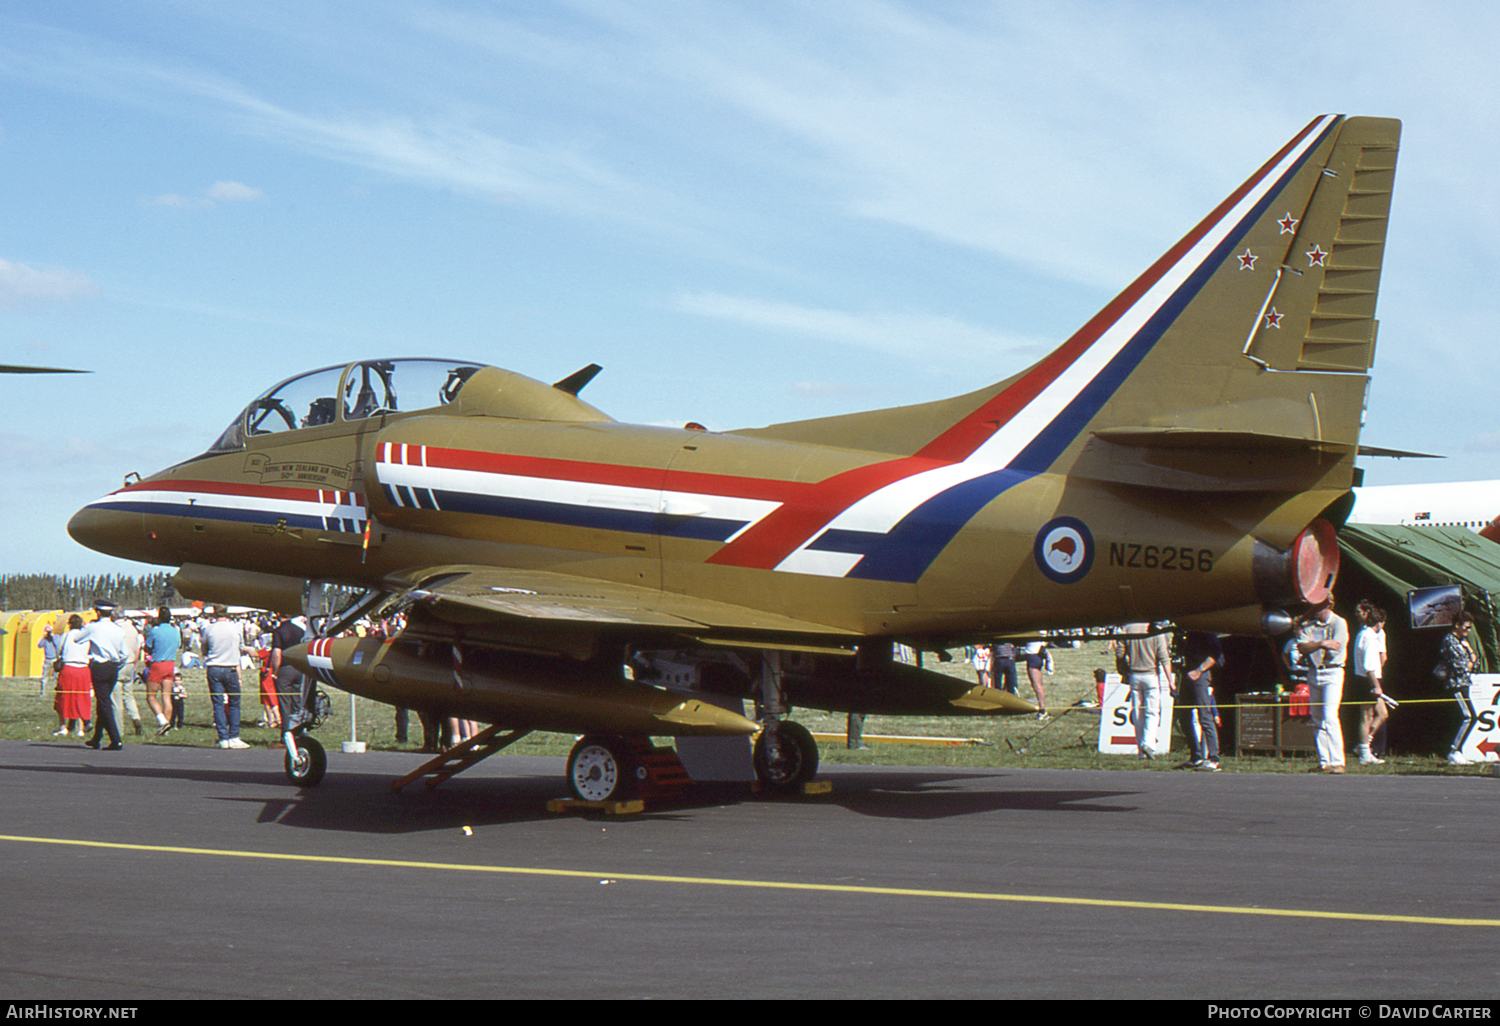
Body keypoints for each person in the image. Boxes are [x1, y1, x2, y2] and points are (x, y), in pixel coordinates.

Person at [1297, 597, 1348, 773]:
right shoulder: (1308, 624)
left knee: (1330, 716)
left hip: (1332, 672)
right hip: (1313, 672)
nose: (1314, 609)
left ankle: (1337, 761)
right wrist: (1320, 643)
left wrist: (1315, 646)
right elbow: (1302, 647)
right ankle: (1323, 761)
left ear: (1329, 604)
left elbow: (1335, 648)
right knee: (1317, 717)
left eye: (1318, 605)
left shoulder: (1339, 623)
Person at [76, 603, 129, 751]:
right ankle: (97, 738)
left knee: (104, 703)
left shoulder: (94, 627)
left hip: (99, 666)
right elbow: (125, 654)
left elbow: (77, 638)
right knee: (103, 701)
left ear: (98, 612)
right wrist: (117, 665)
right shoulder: (118, 629)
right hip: (113, 666)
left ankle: (115, 739)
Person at [1120, 624, 1171, 759]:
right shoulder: (1156, 630)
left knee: (1137, 713)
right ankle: (1148, 743)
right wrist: (1170, 681)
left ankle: (1140, 751)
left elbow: (1119, 652)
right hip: (1151, 675)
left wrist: (1122, 670)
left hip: (1134, 674)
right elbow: (1164, 657)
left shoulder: (1127, 628)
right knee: (1152, 712)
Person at [202, 606, 250, 749]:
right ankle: (234, 735)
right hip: (231, 667)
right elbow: (241, 647)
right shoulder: (236, 627)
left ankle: (223, 737)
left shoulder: (209, 629)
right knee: (234, 703)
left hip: (214, 666)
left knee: (218, 703)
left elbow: (204, 648)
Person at [1175, 631, 1223, 772]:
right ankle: (1195, 756)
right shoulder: (1184, 634)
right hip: (1186, 673)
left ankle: (1213, 758)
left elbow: (1216, 655)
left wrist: (1199, 670)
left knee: (1205, 716)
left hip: (1199, 674)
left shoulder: (1205, 632)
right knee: (1184, 716)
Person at [1437, 612, 1479, 765]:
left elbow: (1475, 661)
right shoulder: (1450, 641)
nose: (1468, 631)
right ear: (1457, 625)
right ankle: (1454, 751)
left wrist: (1470, 657)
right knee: (1468, 716)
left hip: (1464, 683)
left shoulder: (1463, 641)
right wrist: (1470, 663)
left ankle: (1457, 750)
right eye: (1466, 627)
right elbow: (1459, 666)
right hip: (1455, 684)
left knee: (1467, 717)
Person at [1351, 602, 1389, 766]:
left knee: (1382, 713)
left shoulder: (1371, 636)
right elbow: (1368, 666)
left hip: (1372, 680)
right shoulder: (1367, 636)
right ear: (1378, 622)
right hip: (1367, 680)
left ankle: (1363, 746)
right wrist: (1376, 685)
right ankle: (1365, 753)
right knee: (1366, 717)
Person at [52, 614, 92, 738]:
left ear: (69, 624)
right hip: (83, 669)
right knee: (81, 697)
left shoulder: (65, 636)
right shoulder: (87, 637)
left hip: (68, 668)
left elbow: (59, 651)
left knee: (63, 697)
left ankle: (62, 726)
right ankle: (80, 729)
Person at [143, 608, 180, 736]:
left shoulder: (155, 631)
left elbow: (147, 646)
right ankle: (165, 729)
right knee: (166, 697)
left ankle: (162, 721)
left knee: (151, 696)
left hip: (158, 664)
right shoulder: (175, 631)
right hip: (170, 664)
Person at [1022, 640, 1050, 721]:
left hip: (1032, 656)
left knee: (1036, 685)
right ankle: (1042, 709)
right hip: (1036, 656)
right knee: (1038, 685)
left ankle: (1042, 710)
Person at [37, 622, 62, 699]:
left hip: (54, 659)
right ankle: (42, 692)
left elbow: (58, 645)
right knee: (44, 676)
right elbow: (39, 646)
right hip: (47, 659)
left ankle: (57, 692)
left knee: (56, 677)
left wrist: (52, 637)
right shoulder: (44, 639)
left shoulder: (56, 637)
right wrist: (43, 637)